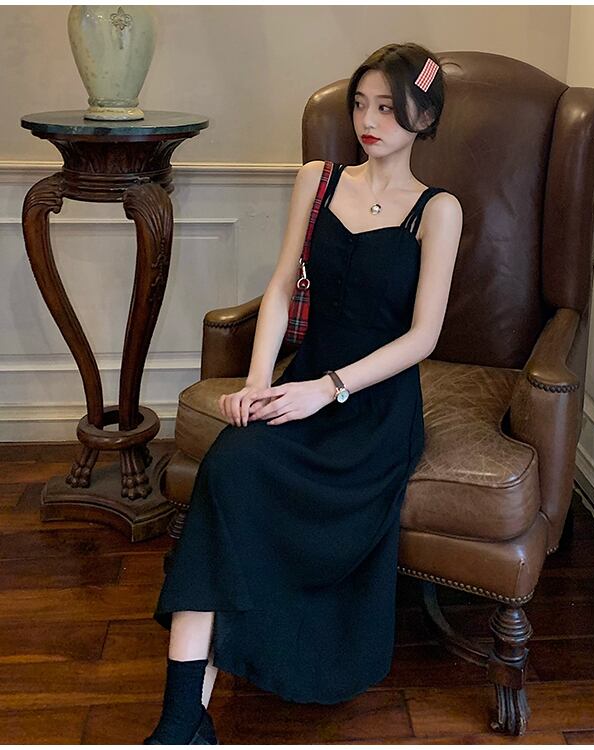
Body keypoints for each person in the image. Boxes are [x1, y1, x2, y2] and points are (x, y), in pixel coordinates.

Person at [144, 41, 463, 744]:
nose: (368, 121)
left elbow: (424, 337)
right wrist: (259, 383)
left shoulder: (438, 210)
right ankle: (181, 717)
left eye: (388, 107)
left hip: (373, 407)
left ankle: (188, 712)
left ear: (424, 116)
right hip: (302, 382)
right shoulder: (318, 181)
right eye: (361, 104)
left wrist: (330, 389)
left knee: (240, 476)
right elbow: (283, 285)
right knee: (231, 463)